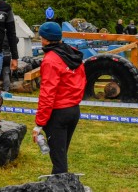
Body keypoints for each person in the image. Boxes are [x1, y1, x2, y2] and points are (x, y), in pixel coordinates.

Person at [33, 22, 86, 175]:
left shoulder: (50, 60)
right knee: (60, 155)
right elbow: (82, 80)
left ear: (46, 40)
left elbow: (47, 93)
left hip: (58, 114)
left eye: (41, 37)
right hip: (74, 110)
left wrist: (39, 124)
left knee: (59, 163)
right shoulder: (73, 53)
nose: (40, 40)